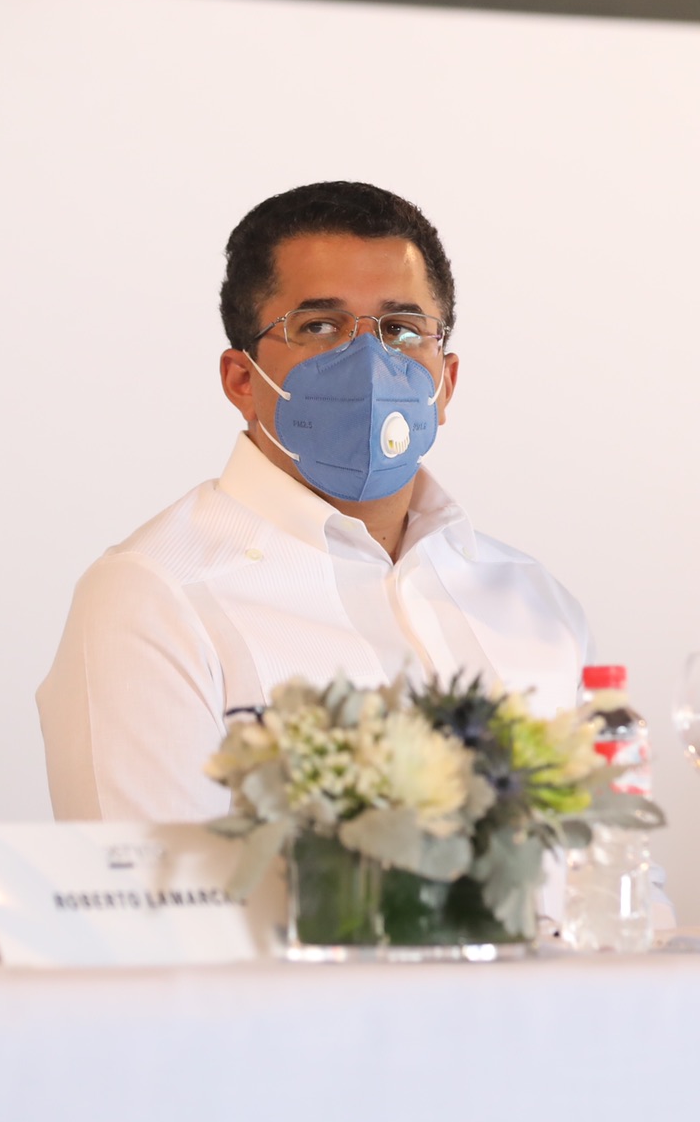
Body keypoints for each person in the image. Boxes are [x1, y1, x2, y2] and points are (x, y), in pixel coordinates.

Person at [38, 181, 593, 821]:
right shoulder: (156, 599)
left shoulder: (533, 601)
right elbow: (147, 881)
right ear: (241, 379)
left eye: (402, 329)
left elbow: (609, 863)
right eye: (320, 326)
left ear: (446, 382)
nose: (369, 361)